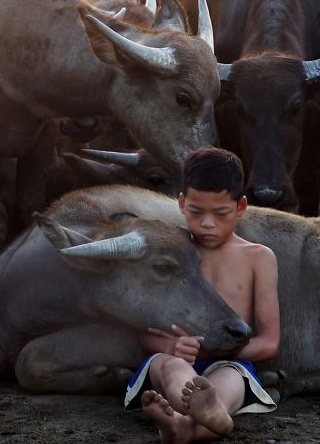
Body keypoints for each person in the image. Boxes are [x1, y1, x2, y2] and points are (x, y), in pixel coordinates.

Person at [123, 146, 280, 443]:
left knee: (229, 381)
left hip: (232, 362)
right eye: (196, 212)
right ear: (181, 203)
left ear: (241, 207)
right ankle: (202, 415)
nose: (207, 223)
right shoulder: (169, 253)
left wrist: (216, 352)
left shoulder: (259, 258)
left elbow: (269, 342)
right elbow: (142, 331)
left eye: (220, 213)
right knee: (171, 367)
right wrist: (172, 346)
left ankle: (185, 425)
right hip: (175, 358)